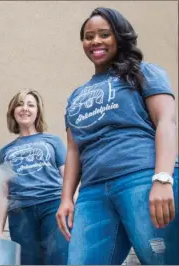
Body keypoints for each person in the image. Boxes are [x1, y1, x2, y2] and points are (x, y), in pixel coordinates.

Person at [56, 7, 178, 265]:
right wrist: (66, 198)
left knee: (162, 260)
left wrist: (163, 178)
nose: (95, 42)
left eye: (104, 34)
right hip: (92, 193)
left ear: (119, 37)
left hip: (141, 178)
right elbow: (74, 149)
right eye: (89, 37)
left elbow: (166, 122)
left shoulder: (144, 72)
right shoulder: (76, 96)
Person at [0, 89, 69, 265]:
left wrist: (74, 208)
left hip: (53, 205)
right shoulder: (5, 151)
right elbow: (3, 192)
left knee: (58, 259)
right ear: (13, 111)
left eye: (30, 105)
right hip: (20, 212)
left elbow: (67, 177)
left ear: (38, 112)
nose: (25, 108)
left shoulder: (53, 141)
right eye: (20, 104)